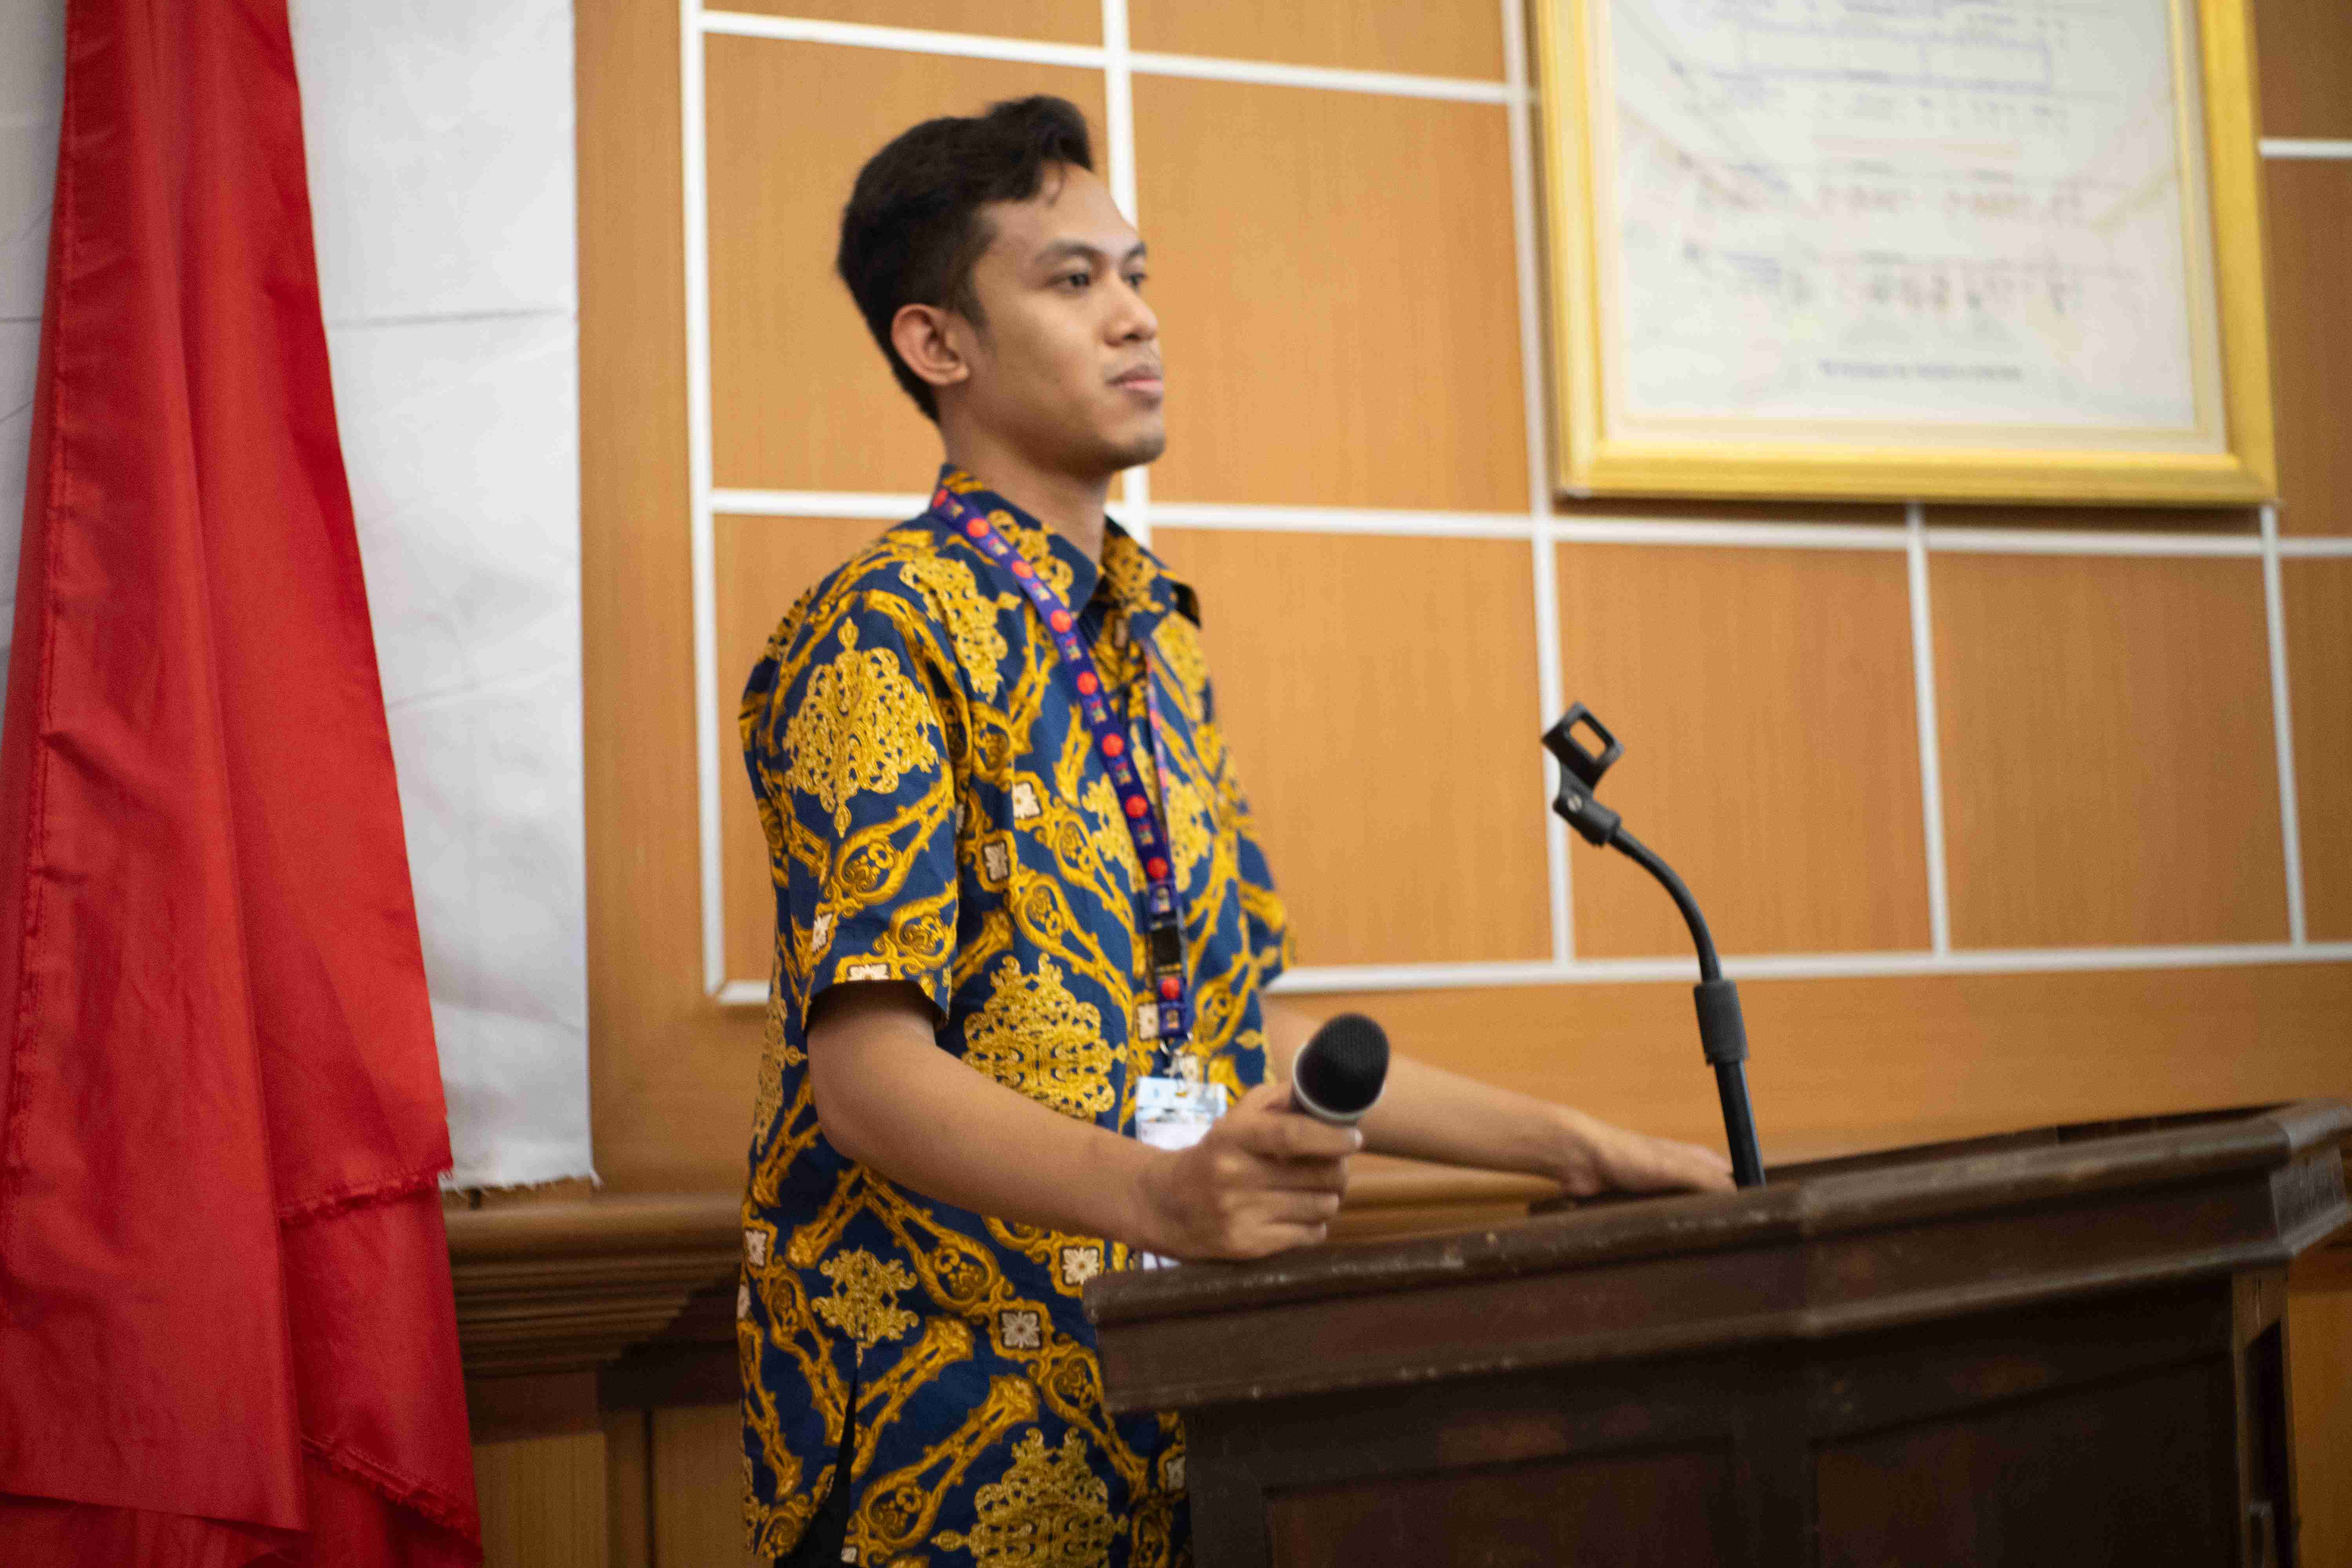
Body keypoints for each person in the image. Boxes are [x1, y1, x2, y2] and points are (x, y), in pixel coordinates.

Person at [736, 94, 1733, 1567]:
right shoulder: (877, 633)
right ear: (938, 344)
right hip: (940, 1458)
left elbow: (1222, 1031)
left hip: (1181, 1422)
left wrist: (1583, 1148)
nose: (1136, 315)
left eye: (1136, 274)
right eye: (1073, 280)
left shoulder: (1158, 638)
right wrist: (1159, 1192)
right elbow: (868, 1080)